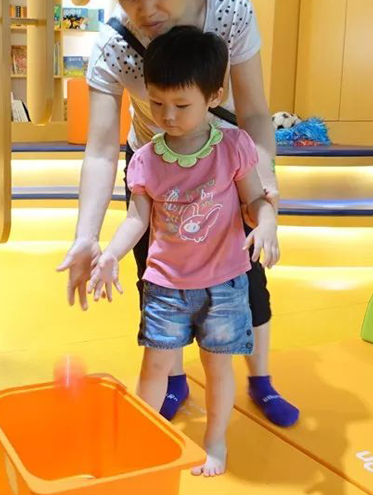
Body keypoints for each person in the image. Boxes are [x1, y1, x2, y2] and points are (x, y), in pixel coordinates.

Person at [57, 0, 299, 427]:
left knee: (245, 275)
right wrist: (87, 236)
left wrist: (263, 185)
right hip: (156, 165)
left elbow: (254, 111)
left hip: (224, 158)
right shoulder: (113, 45)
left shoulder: (229, 10)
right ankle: (172, 379)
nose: (146, 8)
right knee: (157, 278)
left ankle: (261, 379)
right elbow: (101, 150)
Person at [88, 26, 277, 476]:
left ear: (214, 97)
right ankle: (142, 439)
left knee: (217, 370)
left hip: (225, 285)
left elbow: (255, 200)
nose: (167, 116)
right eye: (157, 103)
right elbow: (137, 219)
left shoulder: (233, 146)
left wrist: (267, 224)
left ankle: (215, 442)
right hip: (165, 287)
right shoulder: (146, 159)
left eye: (181, 105)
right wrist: (111, 254)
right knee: (154, 367)